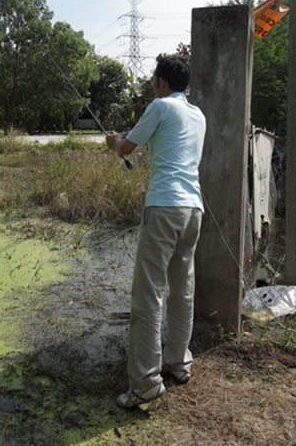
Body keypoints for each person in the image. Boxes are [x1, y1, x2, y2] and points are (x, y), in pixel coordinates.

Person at [105, 53, 206, 409]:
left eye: (154, 79)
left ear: (162, 82)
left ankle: (146, 382)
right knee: (183, 289)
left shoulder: (160, 106)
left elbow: (128, 147)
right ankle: (179, 363)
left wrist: (113, 142)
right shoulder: (198, 115)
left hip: (163, 206)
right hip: (193, 210)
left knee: (148, 294)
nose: (153, 84)